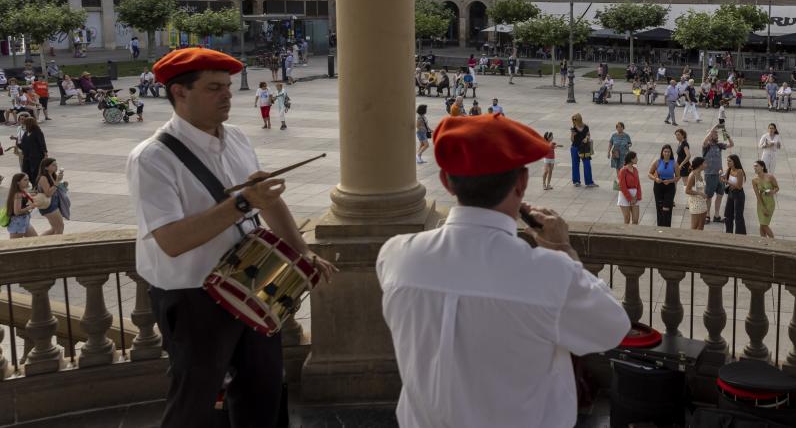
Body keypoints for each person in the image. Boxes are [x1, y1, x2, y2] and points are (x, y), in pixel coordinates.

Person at [377, 114, 629, 427]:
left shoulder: (396, 257)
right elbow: (613, 327)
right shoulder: (549, 274)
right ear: (521, 183)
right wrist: (564, 250)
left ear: (446, 182)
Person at [127, 47, 335, 428]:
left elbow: (267, 202)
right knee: (195, 397)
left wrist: (302, 251)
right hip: (193, 294)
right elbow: (172, 240)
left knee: (264, 389)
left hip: (249, 283)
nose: (227, 94)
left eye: (226, 86)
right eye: (213, 88)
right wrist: (242, 204)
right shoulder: (151, 158)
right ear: (179, 93)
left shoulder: (237, 137)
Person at [701, 126, 732, 224]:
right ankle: (707, 215)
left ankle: (717, 216)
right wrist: (715, 127)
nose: (716, 135)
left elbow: (731, 144)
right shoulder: (706, 146)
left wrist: (725, 132)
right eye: (715, 134)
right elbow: (705, 140)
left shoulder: (719, 145)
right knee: (708, 196)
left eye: (717, 134)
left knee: (720, 195)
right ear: (710, 135)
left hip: (720, 175)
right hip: (709, 174)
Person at [35, 156, 66, 235]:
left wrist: (63, 185)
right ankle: (56, 245)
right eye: (53, 165)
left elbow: (55, 189)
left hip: (53, 203)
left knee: (54, 228)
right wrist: (57, 182)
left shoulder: (52, 175)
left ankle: (39, 241)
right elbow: (48, 193)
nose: (56, 166)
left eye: (56, 164)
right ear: (46, 167)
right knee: (60, 227)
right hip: (48, 205)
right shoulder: (43, 178)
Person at [650, 144, 678, 227]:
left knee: (667, 208)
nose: (667, 153)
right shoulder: (657, 162)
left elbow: (678, 176)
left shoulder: (674, 163)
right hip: (659, 185)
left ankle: (667, 226)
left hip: (669, 186)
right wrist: (656, 179)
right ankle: (660, 226)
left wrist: (670, 181)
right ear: (662, 152)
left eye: (668, 152)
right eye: (665, 151)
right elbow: (649, 173)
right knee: (659, 207)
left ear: (671, 153)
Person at [719, 154, 747, 235]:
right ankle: (729, 232)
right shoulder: (729, 169)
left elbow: (739, 186)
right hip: (731, 194)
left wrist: (727, 182)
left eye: (730, 161)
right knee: (727, 215)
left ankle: (740, 235)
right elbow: (723, 177)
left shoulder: (739, 171)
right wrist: (721, 175)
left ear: (735, 162)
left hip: (738, 195)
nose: (728, 162)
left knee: (738, 216)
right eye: (727, 161)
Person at [751, 160, 778, 238]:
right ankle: (763, 242)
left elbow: (777, 187)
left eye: (756, 166)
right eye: (754, 166)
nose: (755, 168)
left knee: (764, 224)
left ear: (762, 167)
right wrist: (762, 207)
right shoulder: (754, 180)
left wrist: (773, 191)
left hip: (769, 203)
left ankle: (773, 241)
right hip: (760, 203)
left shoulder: (770, 177)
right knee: (761, 224)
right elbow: (757, 195)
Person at [569, 113, 597, 187]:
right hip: (575, 148)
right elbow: (572, 140)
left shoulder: (585, 127)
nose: (574, 121)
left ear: (579, 119)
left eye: (575, 119)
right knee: (575, 164)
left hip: (584, 148)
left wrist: (586, 138)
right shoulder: (573, 128)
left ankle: (589, 182)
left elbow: (588, 135)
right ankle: (576, 181)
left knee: (587, 164)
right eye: (573, 120)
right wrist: (572, 135)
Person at [5, 173, 35, 238]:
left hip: (24, 221)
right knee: (14, 246)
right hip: (18, 223)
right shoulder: (18, 194)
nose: (28, 182)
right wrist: (30, 207)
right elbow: (17, 211)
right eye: (25, 180)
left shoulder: (22, 191)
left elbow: (29, 196)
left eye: (28, 179)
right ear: (18, 182)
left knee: (36, 241)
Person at [17, 115, 46, 181]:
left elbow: (42, 143)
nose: (24, 124)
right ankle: (32, 183)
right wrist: (18, 144)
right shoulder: (27, 132)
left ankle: (35, 186)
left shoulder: (37, 132)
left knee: (35, 172)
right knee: (26, 170)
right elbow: (24, 143)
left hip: (36, 156)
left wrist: (45, 153)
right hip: (27, 155)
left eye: (26, 123)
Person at [617, 151, 642, 225]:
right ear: (631, 159)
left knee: (635, 219)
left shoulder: (635, 170)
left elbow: (638, 185)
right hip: (624, 196)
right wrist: (630, 198)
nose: (637, 159)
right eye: (636, 158)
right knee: (627, 218)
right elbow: (622, 186)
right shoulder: (623, 171)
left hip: (635, 196)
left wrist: (637, 196)